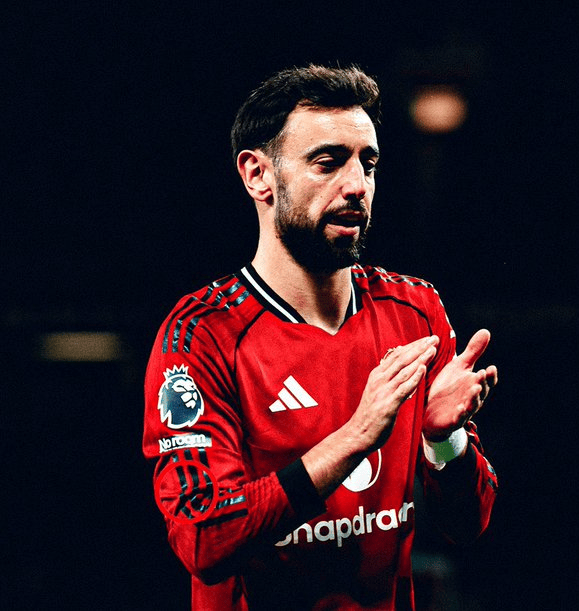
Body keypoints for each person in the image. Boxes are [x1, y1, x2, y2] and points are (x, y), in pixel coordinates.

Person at [143, 64, 498, 611]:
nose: (357, 186)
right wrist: (355, 437)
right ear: (258, 175)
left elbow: (468, 524)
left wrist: (443, 440)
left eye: (367, 164)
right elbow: (204, 538)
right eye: (328, 162)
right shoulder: (200, 336)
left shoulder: (414, 312)